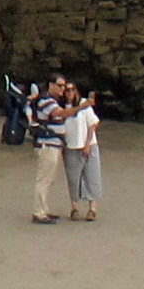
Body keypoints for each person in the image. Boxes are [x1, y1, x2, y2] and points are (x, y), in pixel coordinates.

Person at [29, 73, 68, 223]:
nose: (63, 89)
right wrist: (80, 107)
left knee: (49, 179)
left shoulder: (52, 101)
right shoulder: (46, 101)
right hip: (47, 145)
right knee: (44, 179)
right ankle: (39, 212)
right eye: (60, 85)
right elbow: (60, 113)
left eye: (64, 86)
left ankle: (44, 209)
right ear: (51, 85)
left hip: (53, 144)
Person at [60, 82, 102, 221]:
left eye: (72, 89)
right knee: (73, 179)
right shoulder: (62, 108)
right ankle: (74, 208)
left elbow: (92, 124)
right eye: (67, 90)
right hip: (70, 147)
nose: (69, 92)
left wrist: (87, 144)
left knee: (92, 177)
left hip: (88, 145)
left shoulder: (84, 104)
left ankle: (92, 209)